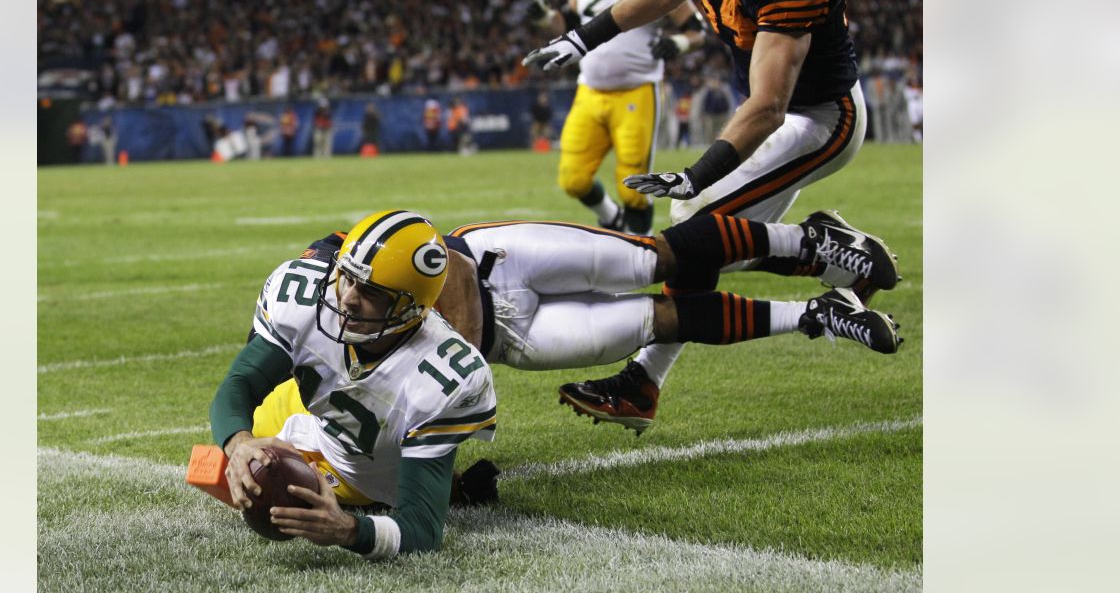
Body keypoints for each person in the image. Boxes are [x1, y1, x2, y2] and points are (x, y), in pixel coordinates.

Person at [524, 0, 877, 420]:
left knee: (695, 227)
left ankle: (644, 381)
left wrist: (698, 173)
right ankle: (821, 252)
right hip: (779, 111)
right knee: (702, 239)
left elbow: (768, 107)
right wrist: (582, 37)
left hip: (819, 118)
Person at [301, 208, 901, 434]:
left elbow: (379, 235)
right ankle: (816, 315)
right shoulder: (356, 388)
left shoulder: (329, 282)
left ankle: (806, 237)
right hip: (511, 341)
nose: (347, 303)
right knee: (658, 321)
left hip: (494, 262)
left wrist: (336, 260)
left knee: (654, 257)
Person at [210, 210, 497, 559]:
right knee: (237, 456)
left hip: (359, 471)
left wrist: (347, 529)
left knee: (285, 493)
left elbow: (422, 529)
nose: (346, 298)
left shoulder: (444, 375)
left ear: (411, 308)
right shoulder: (311, 298)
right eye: (347, 276)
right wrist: (238, 443)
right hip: (308, 409)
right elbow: (239, 384)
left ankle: (450, 483)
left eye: (371, 291)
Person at [525, 0, 704, 236]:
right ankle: (610, 218)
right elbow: (570, 24)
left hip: (638, 89)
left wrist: (678, 43)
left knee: (633, 189)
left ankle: (640, 252)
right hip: (590, 90)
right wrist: (545, 19)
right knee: (573, 178)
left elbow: (696, 29)